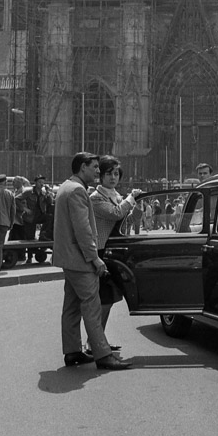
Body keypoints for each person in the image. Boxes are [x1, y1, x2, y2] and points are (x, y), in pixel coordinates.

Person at [53, 152, 131, 370]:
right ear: (82, 167)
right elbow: (84, 231)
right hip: (80, 259)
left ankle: (72, 351)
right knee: (92, 306)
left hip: (68, 259)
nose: (98, 171)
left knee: (71, 306)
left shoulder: (66, 187)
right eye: (95, 167)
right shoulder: (78, 191)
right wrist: (94, 259)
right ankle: (103, 355)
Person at [89, 155, 143, 340]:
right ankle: (95, 342)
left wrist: (138, 205)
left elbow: (126, 220)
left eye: (116, 174)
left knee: (109, 299)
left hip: (115, 252)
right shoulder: (96, 198)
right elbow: (116, 213)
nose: (113, 177)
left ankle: (98, 340)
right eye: (109, 174)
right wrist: (130, 198)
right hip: (100, 251)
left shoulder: (118, 196)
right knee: (102, 298)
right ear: (101, 176)